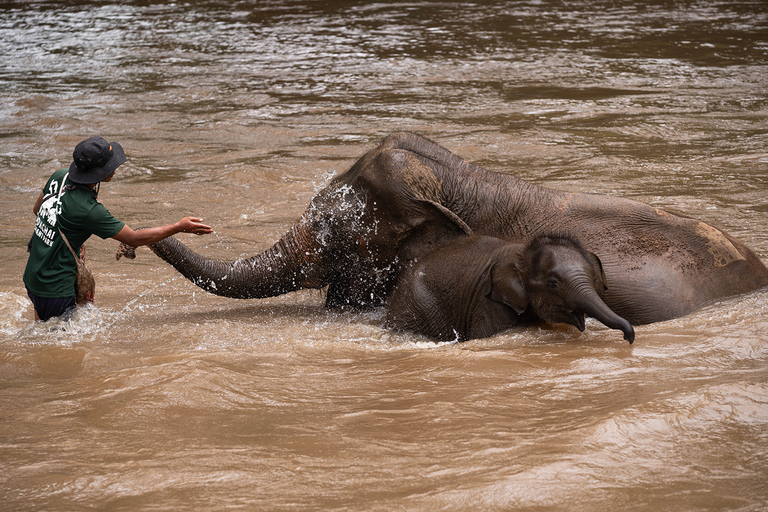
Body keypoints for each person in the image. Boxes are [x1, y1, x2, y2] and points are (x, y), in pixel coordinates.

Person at [23, 136, 213, 321]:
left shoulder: (60, 176)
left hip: (34, 273)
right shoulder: (89, 210)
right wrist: (179, 226)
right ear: (96, 173)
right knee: (58, 346)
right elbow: (133, 238)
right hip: (55, 287)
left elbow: (38, 209)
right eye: (110, 165)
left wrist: (68, 236)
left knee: (40, 331)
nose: (115, 168)